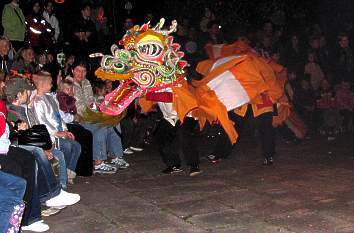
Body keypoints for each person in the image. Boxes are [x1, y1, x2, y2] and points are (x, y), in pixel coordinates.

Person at [67, 62, 129, 173]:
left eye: (84, 71)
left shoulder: (86, 82)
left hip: (90, 114)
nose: (81, 73)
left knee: (114, 122)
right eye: (78, 70)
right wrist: (96, 114)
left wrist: (104, 104)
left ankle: (116, 156)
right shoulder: (67, 84)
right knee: (101, 126)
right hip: (77, 118)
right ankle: (98, 163)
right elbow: (78, 106)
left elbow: (92, 100)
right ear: (72, 70)